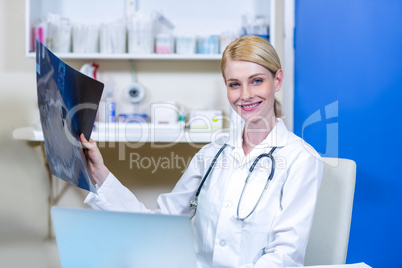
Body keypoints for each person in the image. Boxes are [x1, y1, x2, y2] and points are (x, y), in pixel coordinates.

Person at [80, 35, 323, 268]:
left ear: (277, 80)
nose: (245, 95)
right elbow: (161, 222)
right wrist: (100, 173)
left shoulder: (301, 159)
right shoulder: (212, 153)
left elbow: (285, 256)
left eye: (257, 81)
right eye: (234, 85)